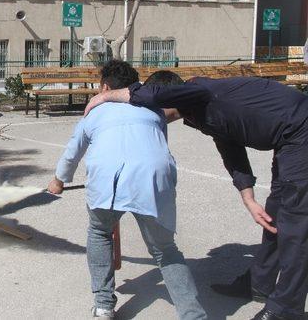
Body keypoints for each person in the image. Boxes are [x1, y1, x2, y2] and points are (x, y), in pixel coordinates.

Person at [83, 71, 308, 320]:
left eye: (153, 108)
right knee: (275, 216)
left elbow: (154, 93)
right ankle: (259, 283)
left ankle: (286, 309)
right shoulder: (198, 109)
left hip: (300, 130)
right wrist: (248, 196)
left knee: (295, 225)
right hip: (289, 138)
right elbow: (229, 145)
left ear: (166, 99)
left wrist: (106, 97)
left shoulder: (199, 90)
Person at [48, 60, 206, 320]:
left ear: (105, 87)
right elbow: (155, 146)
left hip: (107, 180)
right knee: (165, 250)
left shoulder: (95, 111)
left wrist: (58, 181)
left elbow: (72, 153)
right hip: (153, 178)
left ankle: (103, 305)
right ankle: (193, 315)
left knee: (100, 232)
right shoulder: (153, 110)